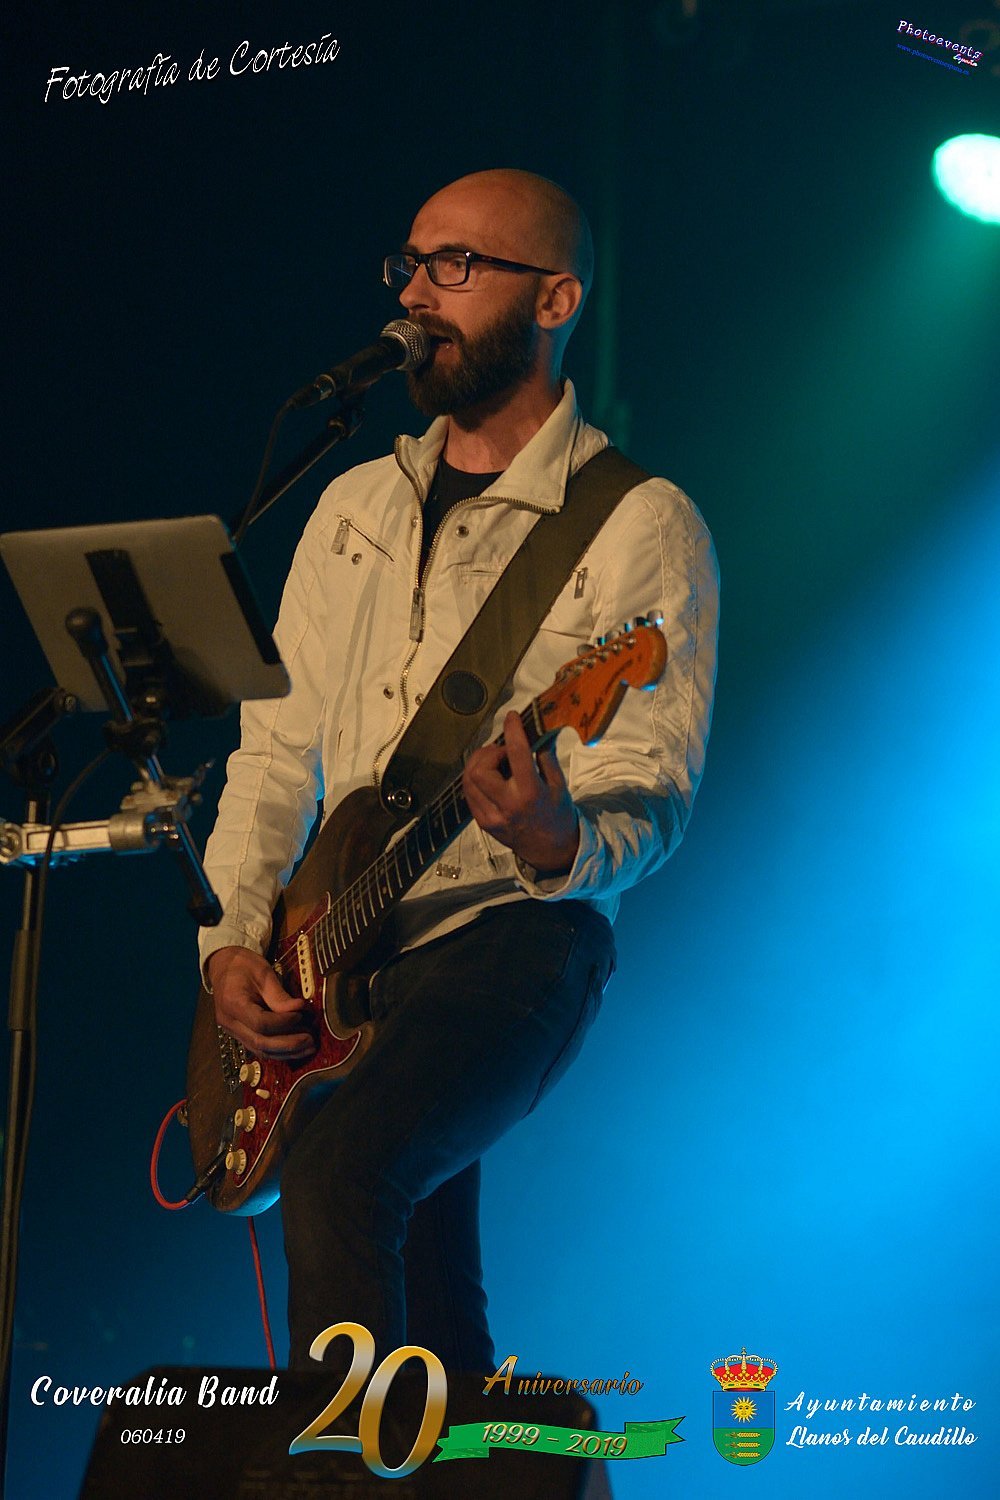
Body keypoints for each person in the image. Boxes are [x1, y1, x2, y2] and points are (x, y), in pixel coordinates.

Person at [198, 168, 719, 1374]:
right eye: (411, 263)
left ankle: (337, 1459)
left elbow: (652, 784)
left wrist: (552, 835)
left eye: (458, 266)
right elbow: (274, 754)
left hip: (514, 938)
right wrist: (231, 941)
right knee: (433, 1308)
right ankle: (470, 1448)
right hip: (348, 940)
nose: (416, 294)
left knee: (345, 1172)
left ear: (555, 301)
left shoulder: (639, 522)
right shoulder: (352, 505)